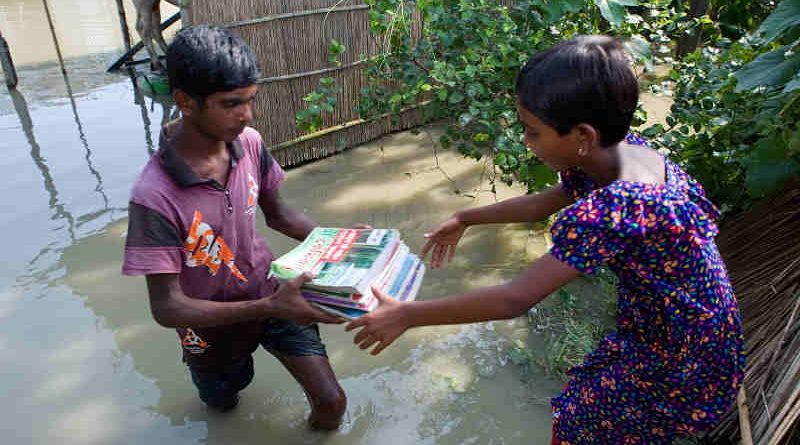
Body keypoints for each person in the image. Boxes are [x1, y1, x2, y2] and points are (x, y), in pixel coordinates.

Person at [346, 35, 744, 444]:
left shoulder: (621, 204)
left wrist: (408, 314)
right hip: (691, 325)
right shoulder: (626, 154)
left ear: (583, 136)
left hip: (685, 354)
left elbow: (513, 300)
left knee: (577, 423)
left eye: (532, 131)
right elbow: (545, 202)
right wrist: (467, 217)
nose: (525, 141)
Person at [121, 25, 347, 430]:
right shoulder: (153, 196)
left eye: (250, 100)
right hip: (208, 326)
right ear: (185, 102)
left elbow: (280, 216)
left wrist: (344, 243)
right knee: (224, 405)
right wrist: (268, 307)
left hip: (271, 288)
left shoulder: (251, 144)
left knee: (331, 403)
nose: (247, 115)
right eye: (231, 104)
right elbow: (167, 307)